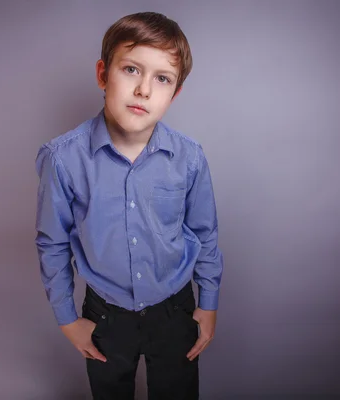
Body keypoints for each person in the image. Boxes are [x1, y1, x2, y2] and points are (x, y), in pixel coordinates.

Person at [35, 11, 224, 400]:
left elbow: (205, 234)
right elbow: (52, 243)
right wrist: (68, 319)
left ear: (175, 93)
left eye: (162, 79)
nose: (143, 90)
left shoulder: (189, 159)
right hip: (105, 314)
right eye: (132, 70)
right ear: (103, 75)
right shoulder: (63, 159)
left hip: (175, 312)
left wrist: (208, 304)